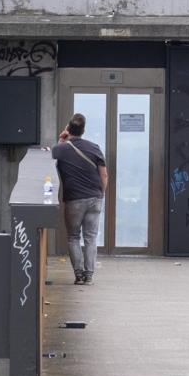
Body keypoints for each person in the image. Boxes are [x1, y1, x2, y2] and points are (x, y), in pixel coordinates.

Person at [51, 113, 108, 285]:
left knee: (73, 237)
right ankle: (89, 276)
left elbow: (51, 156)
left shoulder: (61, 149)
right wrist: (101, 193)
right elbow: (104, 175)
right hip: (95, 198)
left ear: (68, 129)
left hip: (74, 199)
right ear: (83, 130)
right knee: (91, 237)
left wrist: (61, 139)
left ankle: (79, 275)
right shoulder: (94, 147)